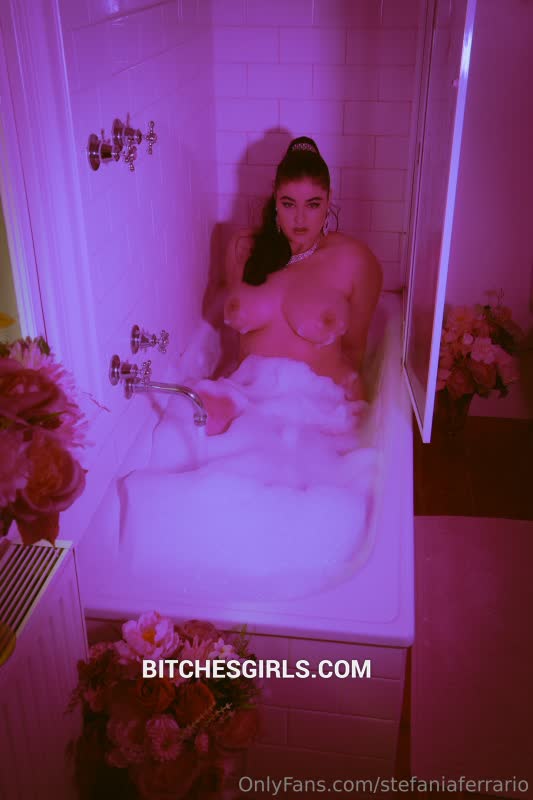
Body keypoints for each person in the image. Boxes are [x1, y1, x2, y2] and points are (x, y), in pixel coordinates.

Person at [199, 136, 383, 435]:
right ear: (275, 197)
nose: (299, 218)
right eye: (288, 204)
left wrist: (353, 421)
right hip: (246, 404)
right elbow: (236, 341)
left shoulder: (355, 260)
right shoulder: (243, 249)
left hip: (322, 414)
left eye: (313, 204)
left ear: (329, 199)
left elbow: (355, 350)